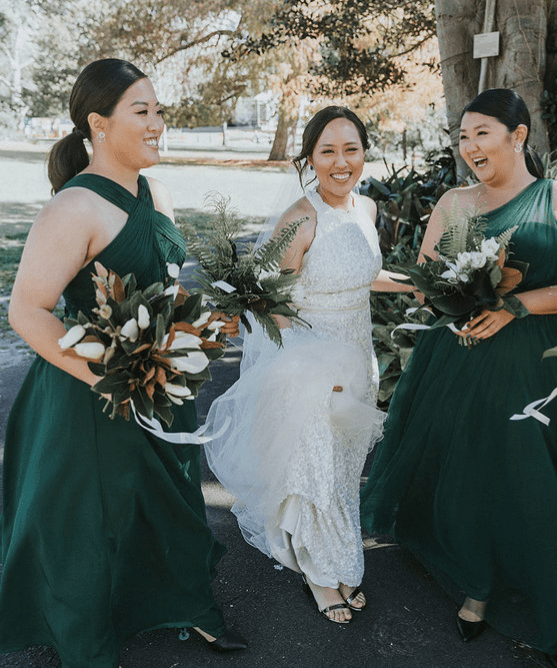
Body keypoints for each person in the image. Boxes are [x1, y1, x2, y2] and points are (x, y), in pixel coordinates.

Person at [0, 59, 247, 667]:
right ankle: (86, 642)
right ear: (98, 124)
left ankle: (183, 603)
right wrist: (113, 378)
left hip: (157, 379)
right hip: (89, 392)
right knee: (86, 523)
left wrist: (200, 324)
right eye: (142, 111)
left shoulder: (158, 192)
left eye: (160, 110)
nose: (158, 123)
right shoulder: (72, 208)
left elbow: (166, 288)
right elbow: (27, 311)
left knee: (169, 501)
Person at [360, 88, 557, 657]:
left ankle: (545, 585)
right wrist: (453, 297)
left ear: (517, 136)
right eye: (463, 137)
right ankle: (477, 585)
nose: (470, 147)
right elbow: (428, 281)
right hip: (461, 357)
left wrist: (516, 305)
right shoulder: (454, 203)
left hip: (536, 364)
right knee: (471, 468)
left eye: (482, 134)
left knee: (529, 471)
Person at [203, 106, 412, 625]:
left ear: (365, 152)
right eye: (328, 151)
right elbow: (271, 302)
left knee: (343, 468)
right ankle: (322, 576)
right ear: (310, 157)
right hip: (311, 364)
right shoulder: (301, 215)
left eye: (351, 149)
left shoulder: (365, 208)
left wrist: (421, 287)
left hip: (359, 357)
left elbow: (365, 274)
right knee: (316, 466)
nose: (341, 163)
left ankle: (338, 556)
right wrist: (314, 364)